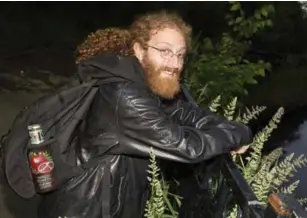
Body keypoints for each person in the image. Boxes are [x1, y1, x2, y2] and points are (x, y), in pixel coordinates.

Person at [38, 10, 253, 218]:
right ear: (140, 50)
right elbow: (186, 146)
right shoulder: (124, 94)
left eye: (180, 55)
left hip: (107, 202)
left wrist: (224, 125)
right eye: (165, 51)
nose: (175, 64)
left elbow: (179, 109)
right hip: (86, 209)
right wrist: (239, 134)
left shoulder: (138, 78)